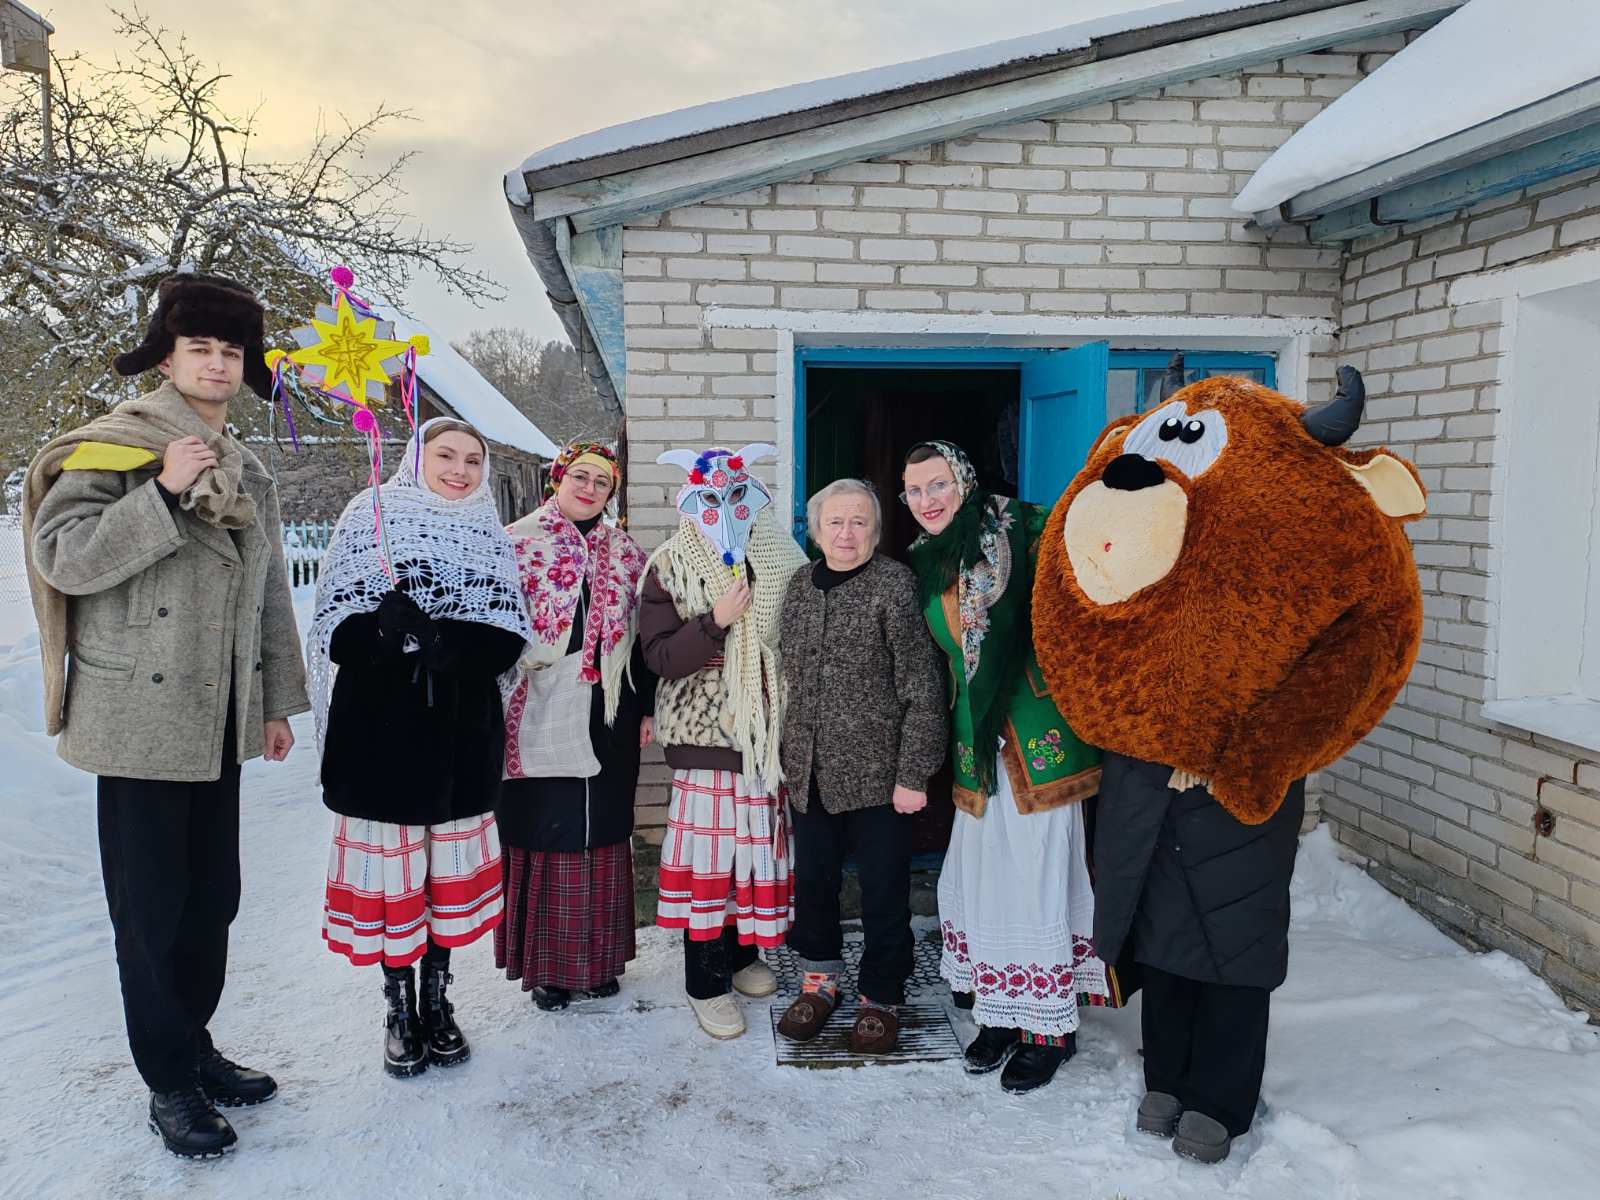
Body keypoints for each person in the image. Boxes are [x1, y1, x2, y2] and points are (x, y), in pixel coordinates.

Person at [1030, 360, 1426, 1163]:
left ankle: (1221, 1099)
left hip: (1235, 786)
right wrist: (1133, 734)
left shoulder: (1288, 535)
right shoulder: (1143, 520)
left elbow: (1351, 657)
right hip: (1143, 781)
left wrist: (1244, 760)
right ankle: (1165, 1078)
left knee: (1233, 943)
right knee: (1157, 939)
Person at [22, 272, 308, 1158]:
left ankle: (194, 1043)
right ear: (167, 359)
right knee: (150, 912)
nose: (217, 364)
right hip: (138, 717)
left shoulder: (246, 466)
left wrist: (275, 699)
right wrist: (158, 494)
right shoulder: (113, 448)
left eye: (231, 351)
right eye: (200, 349)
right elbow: (64, 557)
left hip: (216, 713)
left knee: (211, 900)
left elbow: (266, 591)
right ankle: (168, 1080)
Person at [310, 416, 531, 1078]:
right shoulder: (370, 517)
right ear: (417, 458)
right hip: (381, 738)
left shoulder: (489, 535)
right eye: (446, 455)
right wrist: (383, 630)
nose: (460, 470)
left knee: (442, 882)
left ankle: (437, 1000)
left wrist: (441, 641)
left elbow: (507, 639)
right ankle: (399, 1008)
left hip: (461, 736)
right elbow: (335, 631)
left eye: (472, 459)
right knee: (397, 885)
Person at [901, 440, 1120, 1094]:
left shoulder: (1027, 530)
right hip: (977, 746)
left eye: (938, 484)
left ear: (964, 481)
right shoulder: (927, 557)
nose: (927, 500)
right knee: (986, 880)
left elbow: (1095, 586)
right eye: (914, 490)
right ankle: (1000, 1013)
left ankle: (1047, 1030)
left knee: (1035, 879)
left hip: (1034, 734)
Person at [639, 443, 807, 1039]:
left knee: (751, 855)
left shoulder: (780, 554)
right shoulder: (670, 564)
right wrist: (716, 622)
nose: (726, 510)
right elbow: (660, 657)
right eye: (711, 499)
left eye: (737, 496)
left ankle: (740, 957)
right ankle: (705, 982)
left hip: (764, 739)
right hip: (706, 737)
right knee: (710, 861)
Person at [774, 478, 946, 1054]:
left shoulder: (894, 584)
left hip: (880, 776)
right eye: (835, 522)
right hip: (810, 771)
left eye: (859, 522)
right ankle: (819, 981)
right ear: (816, 530)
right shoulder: (800, 584)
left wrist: (913, 773)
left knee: (883, 891)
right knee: (814, 884)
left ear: (875, 530)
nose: (846, 534)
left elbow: (922, 686)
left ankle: (881, 995)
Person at [495, 441, 656, 1010]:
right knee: (548, 827)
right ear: (557, 480)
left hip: (611, 708)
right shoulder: (516, 542)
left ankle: (599, 962)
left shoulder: (626, 553)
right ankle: (549, 968)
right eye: (580, 477)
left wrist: (646, 706)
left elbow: (642, 636)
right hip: (537, 702)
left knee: (603, 828)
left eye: (602, 482)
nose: (589, 489)